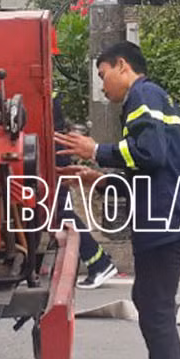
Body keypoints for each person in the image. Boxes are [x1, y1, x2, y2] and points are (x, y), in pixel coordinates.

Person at [53, 41, 180, 359]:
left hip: (166, 220)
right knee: (154, 303)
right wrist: (99, 179)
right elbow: (152, 168)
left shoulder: (142, 95)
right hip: (172, 215)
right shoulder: (156, 99)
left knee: (153, 307)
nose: (103, 87)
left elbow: (149, 153)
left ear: (122, 66)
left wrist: (96, 150)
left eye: (103, 76)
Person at [52, 86, 119, 288]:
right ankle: (98, 261)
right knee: (58, 211)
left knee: (59, 211)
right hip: (52, 146)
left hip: (51, 148)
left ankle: (99, 263)